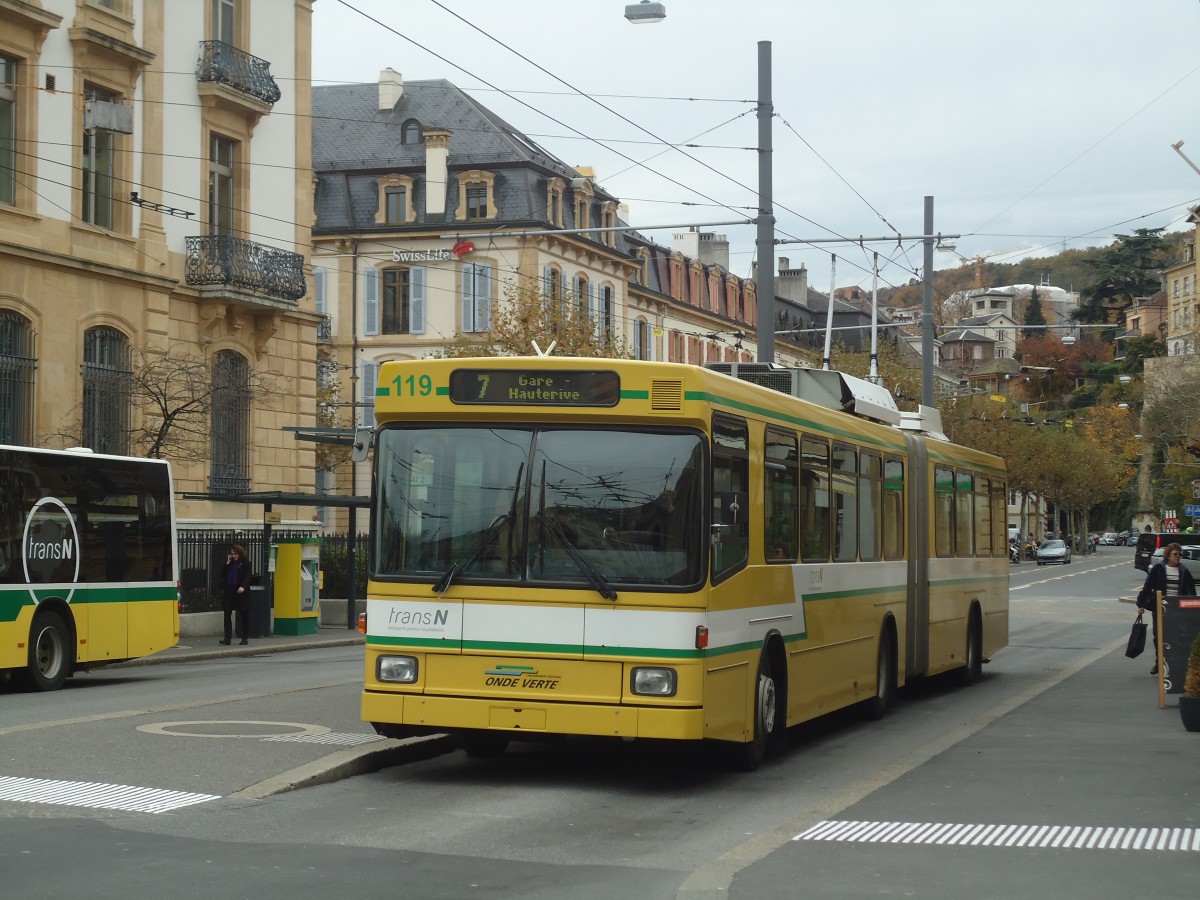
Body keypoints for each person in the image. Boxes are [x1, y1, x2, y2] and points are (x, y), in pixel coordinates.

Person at [1136, 542, 1196, 675]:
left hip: (1177, 610)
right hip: (1160, 608)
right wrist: (1141, 605)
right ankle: (1159, 662)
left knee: (1175, 637)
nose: (1178, 556)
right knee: (1158, 637)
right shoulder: (1158, 569)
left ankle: (1173, 663)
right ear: (1168, 555)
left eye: (1180, 554)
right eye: (1175, 554)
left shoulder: (1183, 571)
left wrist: (1191, 607)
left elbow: (1190, 591)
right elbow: (1147, 587)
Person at [221, 544, 253, 645]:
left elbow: (248, 576)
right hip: (230, 591)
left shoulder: (245, 563)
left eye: (235, 554)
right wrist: (227, 562)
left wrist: (243, 586)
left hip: (241, 592)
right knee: (227, 614)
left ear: (240, 553)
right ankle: (227, 638)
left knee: (244, 615)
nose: (233, 556)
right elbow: (222, 574)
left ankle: (244, 638)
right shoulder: (230, 564)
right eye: (232, 554)